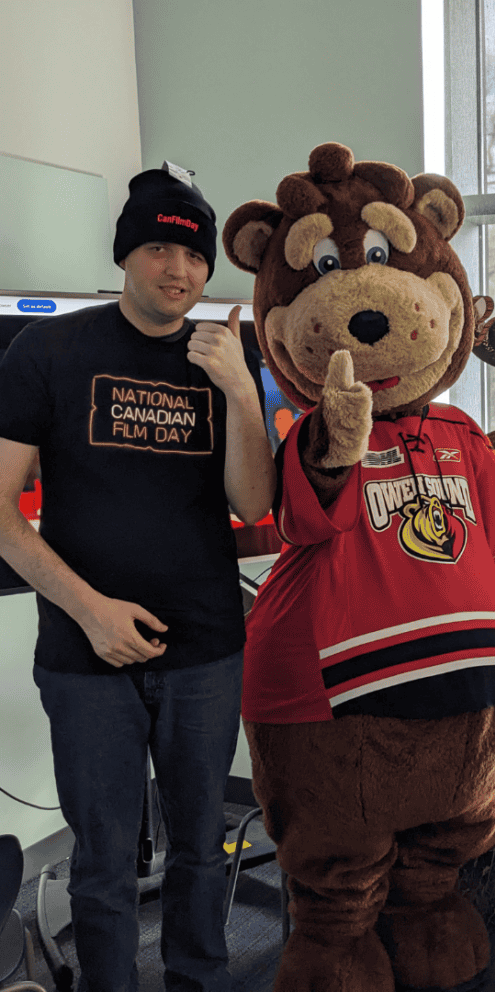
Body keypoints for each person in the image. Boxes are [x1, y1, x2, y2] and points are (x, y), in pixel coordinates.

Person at [0, 163, 276, 992]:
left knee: (201, 846)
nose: (179, 270)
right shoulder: (47, 349)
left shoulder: (226, 357)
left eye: (193, 256)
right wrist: (90, 611)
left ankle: (197, 979)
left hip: (203, 649)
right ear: (127, 254)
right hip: (88, 658)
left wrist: (237, 387)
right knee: (103, 859)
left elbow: (252, 498)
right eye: (159, 247)